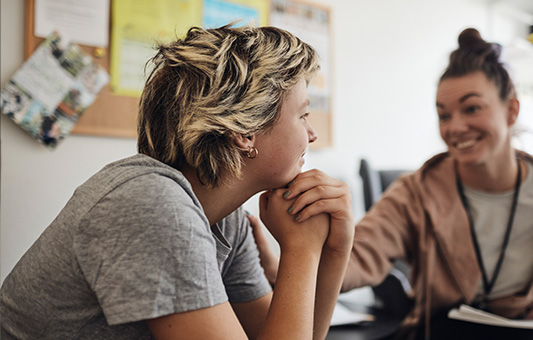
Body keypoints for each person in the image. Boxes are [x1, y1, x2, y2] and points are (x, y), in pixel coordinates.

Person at [0, 25, 354, 340]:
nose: (312, 134)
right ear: (244, 130)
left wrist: (335, 248)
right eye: (303, 115)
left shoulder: (223, 218)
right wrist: (302, 250)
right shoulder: (152, 203)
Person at [251, 28, 533, 340]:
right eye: (443, 115)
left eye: (472, 108)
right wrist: (286, 268)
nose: (455, 127)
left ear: (511, 111)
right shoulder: (417, 191)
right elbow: (361, 255)